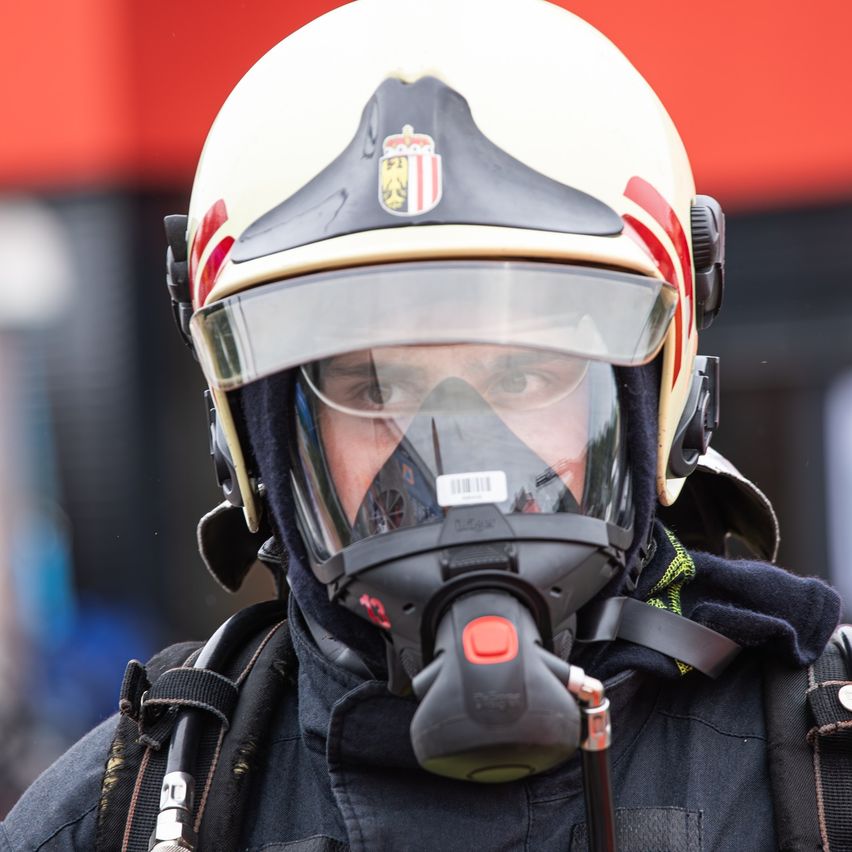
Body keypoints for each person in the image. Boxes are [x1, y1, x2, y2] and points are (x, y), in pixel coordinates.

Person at [2, 1, 846, 850]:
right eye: (377, 387)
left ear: (652, 403)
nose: (454, 458)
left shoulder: (827, 779)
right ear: (258, 440)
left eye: (520, 376)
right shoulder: (124, 815)